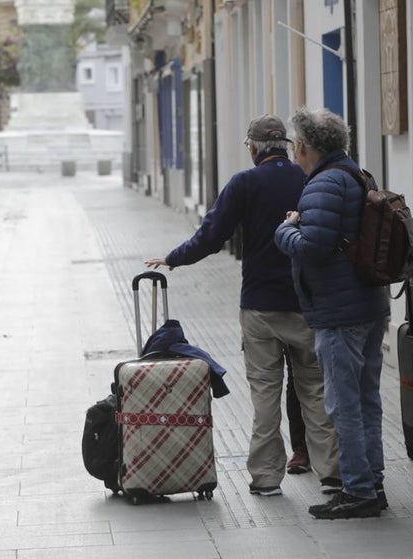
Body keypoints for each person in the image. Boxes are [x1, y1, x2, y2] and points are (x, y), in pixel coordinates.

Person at [145, 114, 339, 498]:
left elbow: (211, 236)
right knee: (315, 389)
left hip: (260, 307)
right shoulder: (309, 178)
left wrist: (173, 258)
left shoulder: (245, 183)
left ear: (254, 147)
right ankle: (331, 473)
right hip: (307, 304)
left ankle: (267, 478)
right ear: (285, 145)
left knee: (265, 393)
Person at [274, 108, 389, 519]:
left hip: (340, 312)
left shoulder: (323, 184)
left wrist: (286, 228)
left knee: (343, 405)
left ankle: (358, 490)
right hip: (370, 305)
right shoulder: (360, 175)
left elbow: (313, 247)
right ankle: (372, 481)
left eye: (294, 144)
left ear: (304, 146)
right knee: (367, 399)